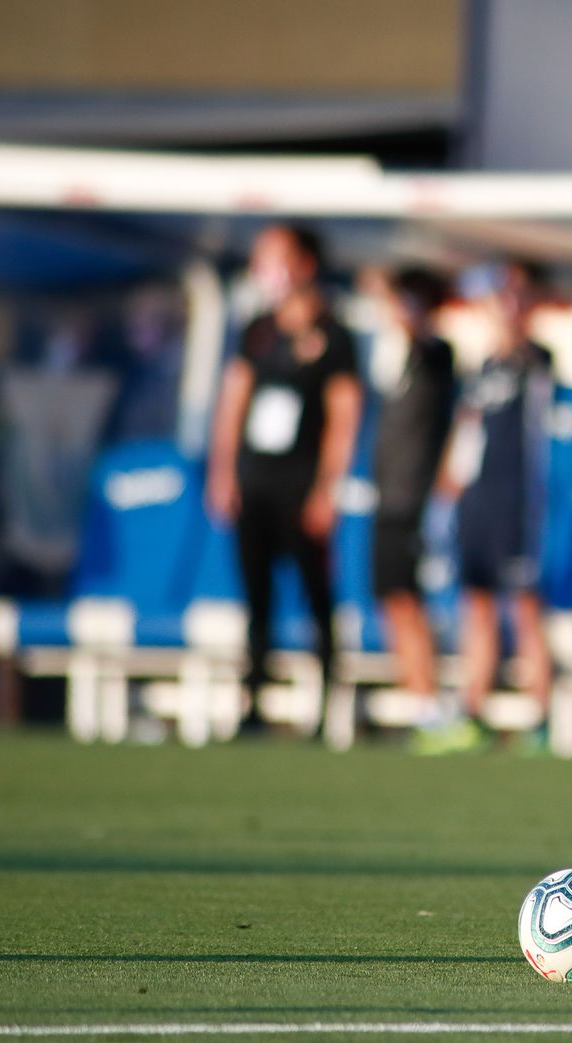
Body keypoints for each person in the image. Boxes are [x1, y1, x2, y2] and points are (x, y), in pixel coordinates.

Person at [206, 224, 362, 731]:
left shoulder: (336, 336)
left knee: (316, 593)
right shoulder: (257, 328)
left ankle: (327, 702)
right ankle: (253, 699)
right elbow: (232, 401)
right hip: (258, 482)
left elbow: (344, 417)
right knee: (257, 596)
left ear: (304, 264)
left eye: (275, 258)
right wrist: (223, 471)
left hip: (302, 483)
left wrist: (326, 489)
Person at [415, 261, 555, 754]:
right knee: (475, 605)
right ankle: (471, 712)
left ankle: (540, 717)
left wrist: (513, 307)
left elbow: (529, 363)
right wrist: (444, 497)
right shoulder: (482, 369)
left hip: (516, 502)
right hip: (476, 503)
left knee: (523, 606)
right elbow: (464, 435)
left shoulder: (534, 359)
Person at [368, 266, 457, 725]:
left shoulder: (436, 353)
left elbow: (418, 338)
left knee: (407, 597)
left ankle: (429, 701)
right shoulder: (397, 356)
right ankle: (413, 696)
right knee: (388, 594)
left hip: (413, 497)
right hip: (387, 494)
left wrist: (392, 296)